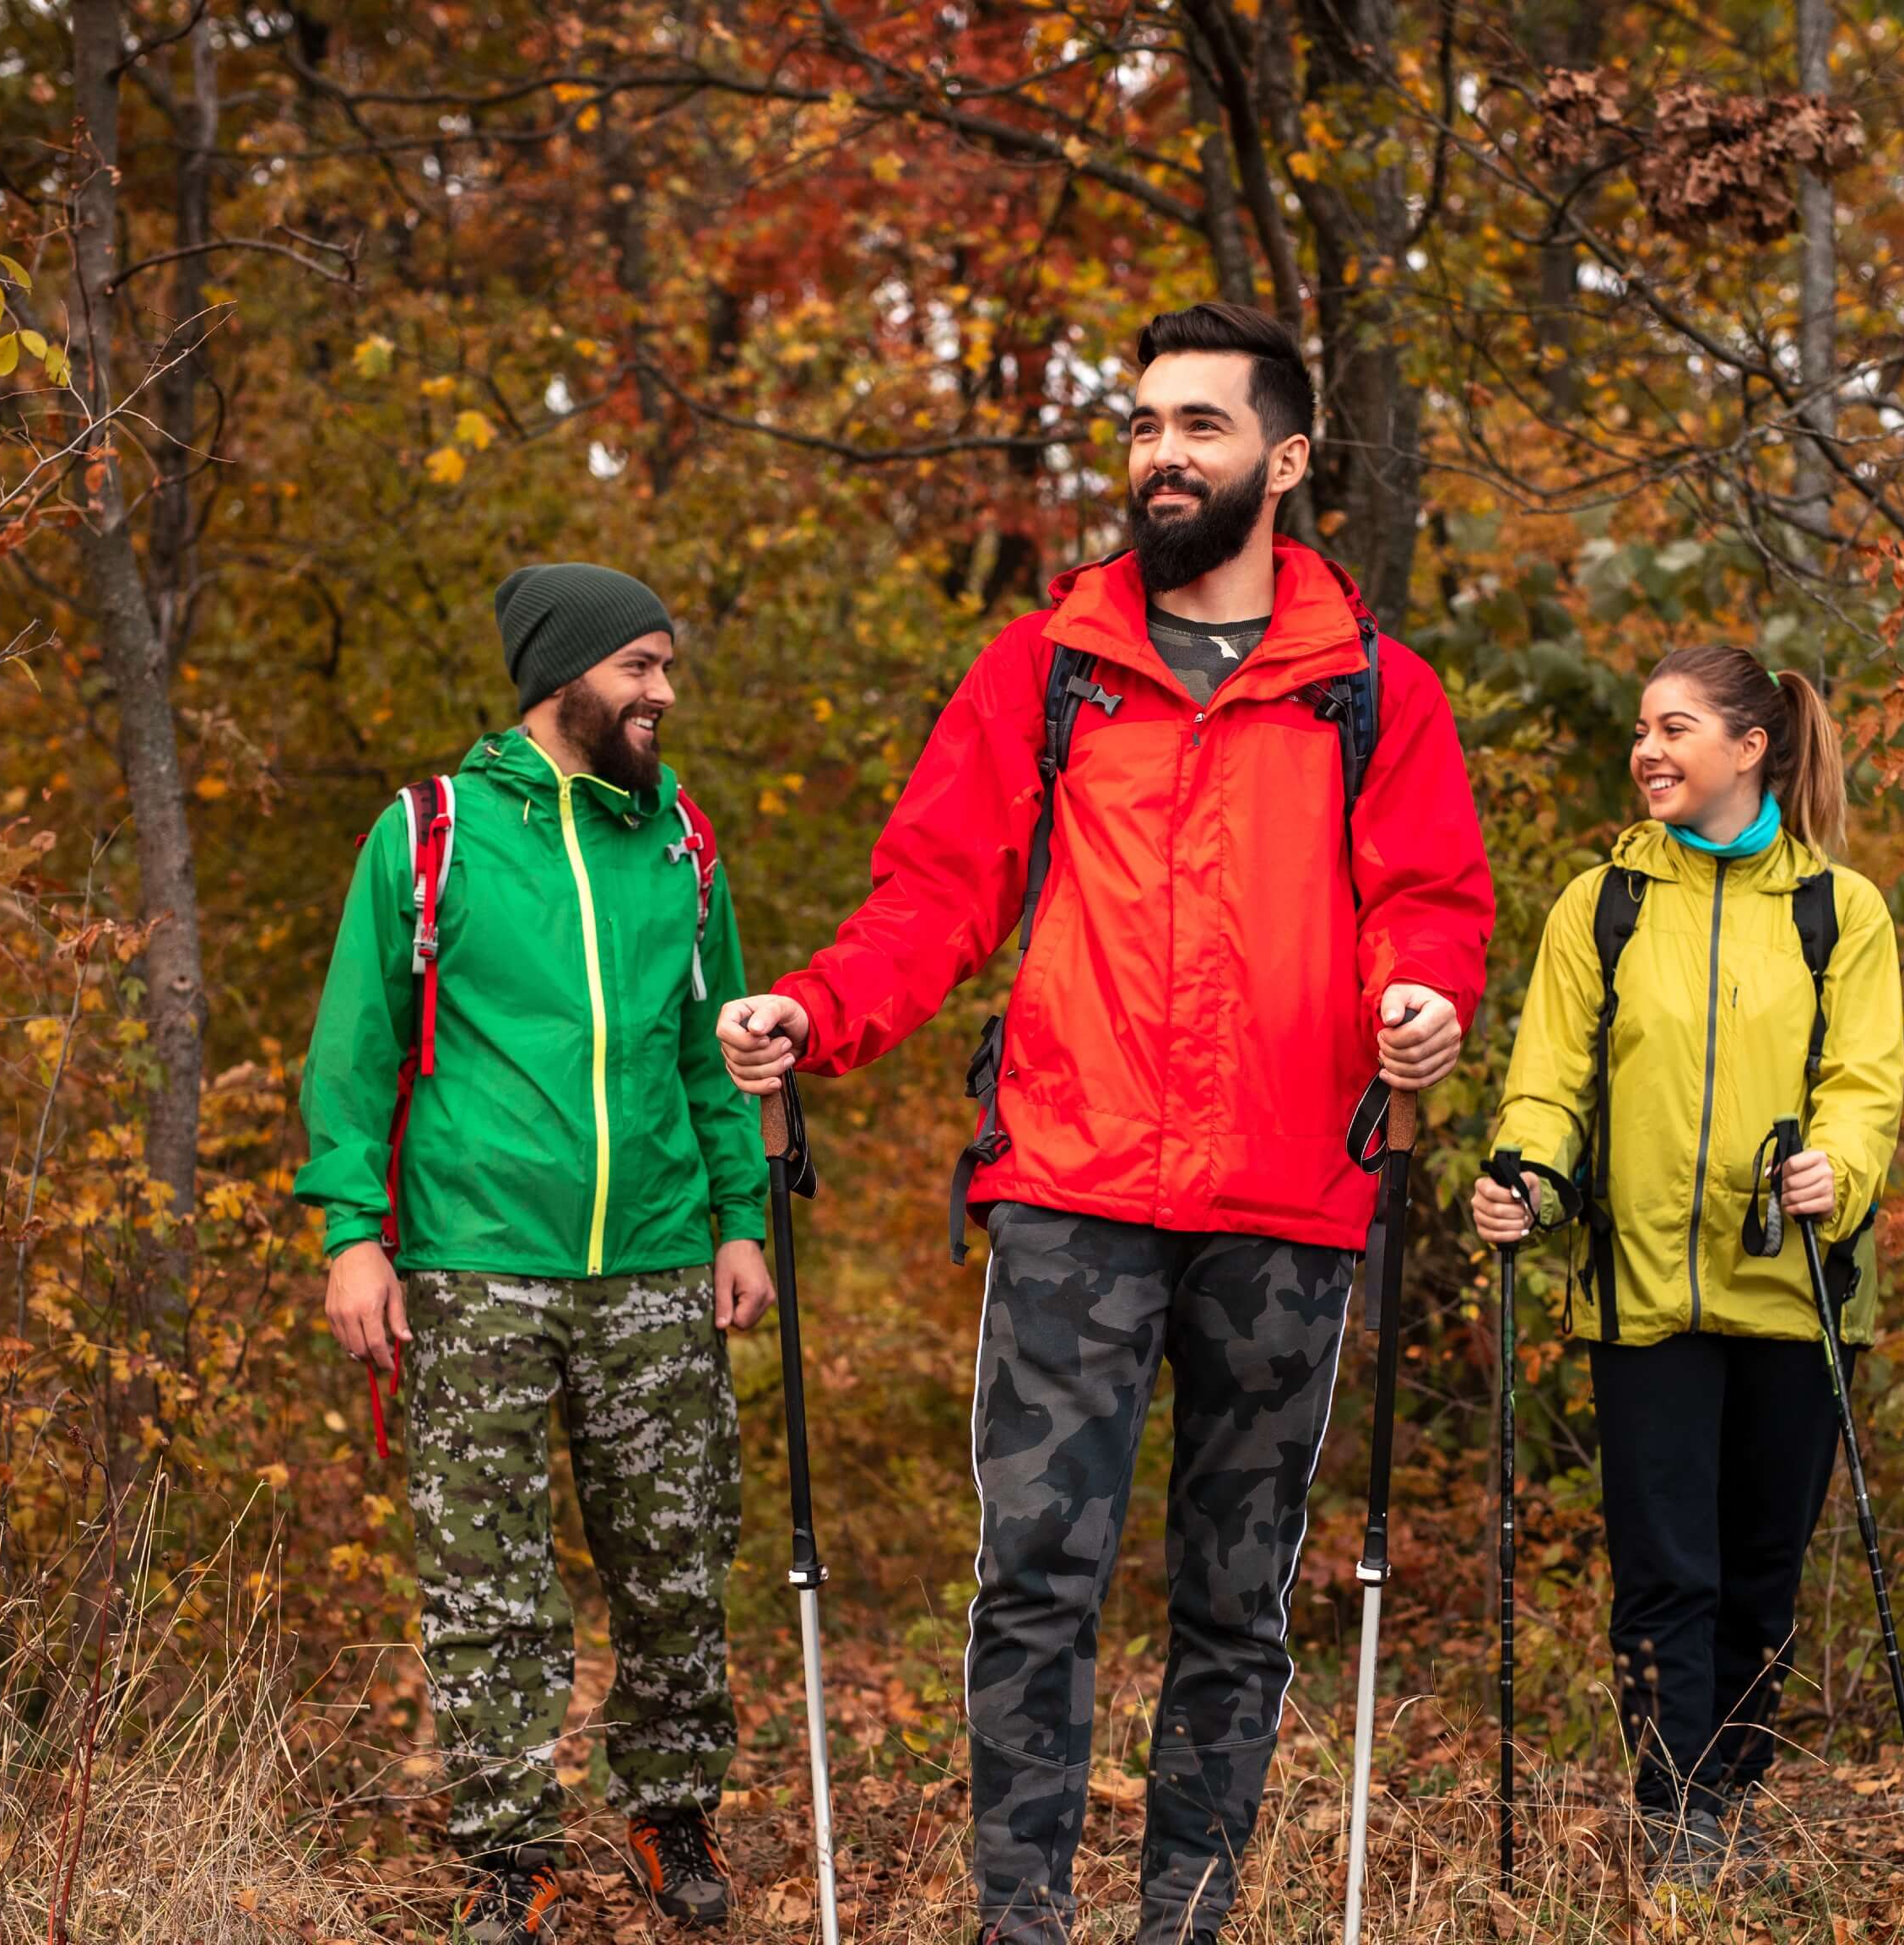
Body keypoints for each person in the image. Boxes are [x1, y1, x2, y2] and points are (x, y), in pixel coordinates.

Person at [716, 301, 1496, 1945]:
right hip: (1070, 1190)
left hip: (1286, 1198)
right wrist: (816, 1012)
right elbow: (933, 895)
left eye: (1198, 427)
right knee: (1033, 1588)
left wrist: (1419, 996)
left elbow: (1426, 901)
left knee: (1234, 1604)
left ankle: (1184, 1925)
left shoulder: (1369, 689)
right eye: (1142, 426)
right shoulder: (1048, 668)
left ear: (1281, 461)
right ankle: (1020, 1924)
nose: (1159, 454)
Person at [296, 564, 774, 1943]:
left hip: (658, 1263)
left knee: (678, 1561)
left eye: (667, 667)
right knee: (487, 1580)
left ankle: (670, 1810)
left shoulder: (679, 843)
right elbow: (357, 1049)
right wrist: (352, 1239)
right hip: (474, 1263)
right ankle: (513, 1851)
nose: (662, 693)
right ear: (561, 673)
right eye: (638, 666)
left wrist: (738, 1219)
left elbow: (710, 1050)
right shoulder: (429, 833)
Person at [1468, 641, 1904, 1889]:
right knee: (1666, 1572)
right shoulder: (1602, 903)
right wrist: (1527, 1179)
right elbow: (1549, 1082)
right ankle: (1679, 1813)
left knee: (1761, 1576)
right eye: (1642, 729)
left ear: (1750, 746)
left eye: (1674, 728)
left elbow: (1864, 1086)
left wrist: (1838, 1167)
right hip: (1644, 1291)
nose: (1647, 750)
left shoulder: (1839, 909)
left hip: (1798, 1294)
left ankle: (1736, 1790)